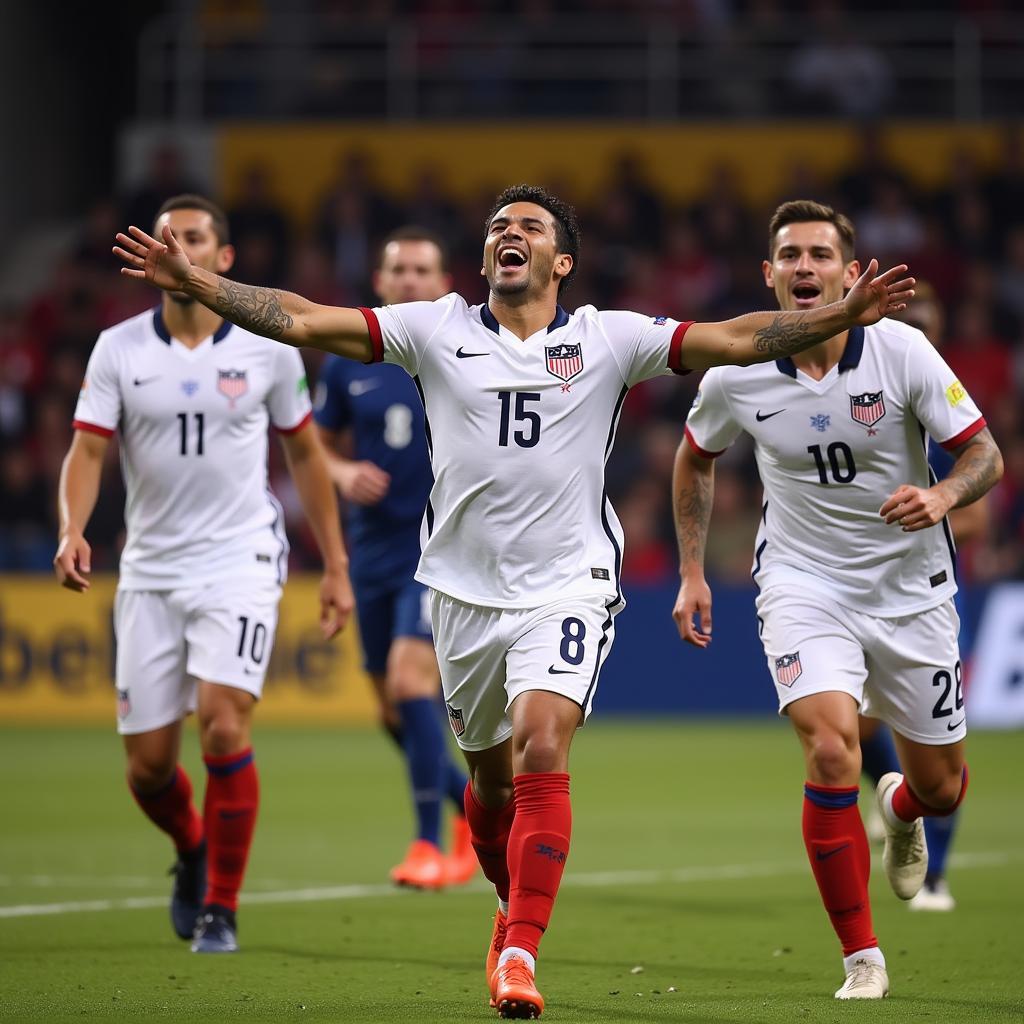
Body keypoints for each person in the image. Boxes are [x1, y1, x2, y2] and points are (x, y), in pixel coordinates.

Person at [114, 183, 913, 1018]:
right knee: (490, 789)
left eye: (529, 227)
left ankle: (521, 952)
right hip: (460, 593)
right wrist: (201, 286)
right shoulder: (436, 327)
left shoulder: (609, 339)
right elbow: (304, 318)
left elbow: (741, 338)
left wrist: (836, 317)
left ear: (561, 261)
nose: (509, 234)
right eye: (499, 225)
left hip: (569, 584)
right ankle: (506, 903)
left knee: (542, 744)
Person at [673, 200, 1002, 1000]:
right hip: (801, 583)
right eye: (790, 255)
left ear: (852, 274)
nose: (805, 268)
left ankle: (901, 805)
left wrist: (944, 494)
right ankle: (863, 957)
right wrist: (691, 572)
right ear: (769, 275)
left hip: (910, 590)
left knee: (943, 788)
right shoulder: (737, 370)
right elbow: (694, 461)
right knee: (829, 750)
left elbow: (984, 454)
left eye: (822, 254)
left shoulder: (903, 352)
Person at [57, 194, 353, 955]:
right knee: (149, 769)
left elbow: (306, 456)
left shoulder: (269, 348)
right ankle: (191, 849)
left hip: (240, 559)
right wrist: (71, 527)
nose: (175, 247)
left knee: (224, 725)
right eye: (166, 237)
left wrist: (334, 565)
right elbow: (88, 451)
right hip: (151, 568)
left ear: (222, 261)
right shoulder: (118, 348)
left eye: (192, 238)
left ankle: (221, 906)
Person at [314, 226, 476, 889]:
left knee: (412, 687)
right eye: (398, 270)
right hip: (372, 552)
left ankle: (424, 846)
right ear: (379, 283)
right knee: (390, 710)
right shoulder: (345, 361)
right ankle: (476, 809)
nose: (410, 280)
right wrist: (341, 470)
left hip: (438, 552)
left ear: (443, 285)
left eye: (422, 270)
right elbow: (310, 447)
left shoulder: (463, 354)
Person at [858, 280, 990, 912]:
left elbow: (977, 518)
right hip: (854, 591)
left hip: (925, 592)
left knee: (942, 751)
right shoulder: (870, 393)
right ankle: (894, 799)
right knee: (853, 726)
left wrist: (931, 507)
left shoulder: (944, 409)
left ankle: (935, 875)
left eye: (928, 318)